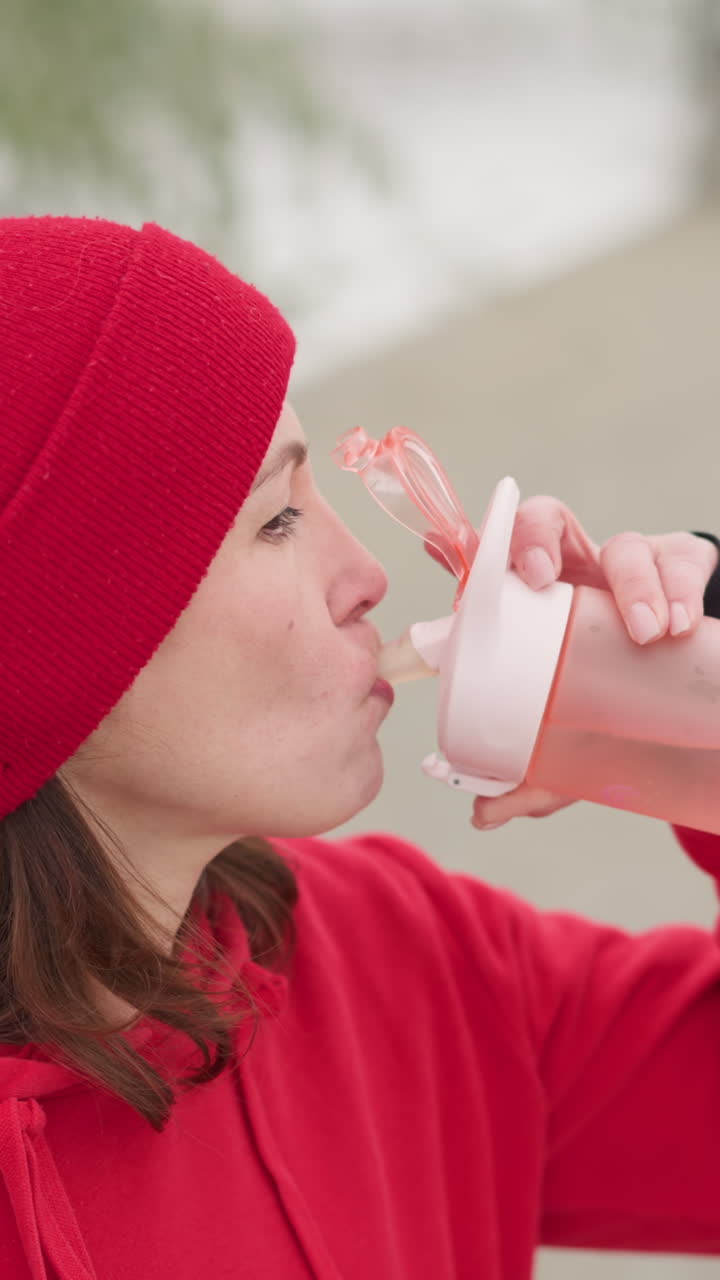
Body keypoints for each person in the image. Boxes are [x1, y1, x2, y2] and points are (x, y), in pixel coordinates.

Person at [0, 215, 718, 1280]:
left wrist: (692, 708)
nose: (369, 574)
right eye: (276, 521)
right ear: (67, 641)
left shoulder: (398, 960)